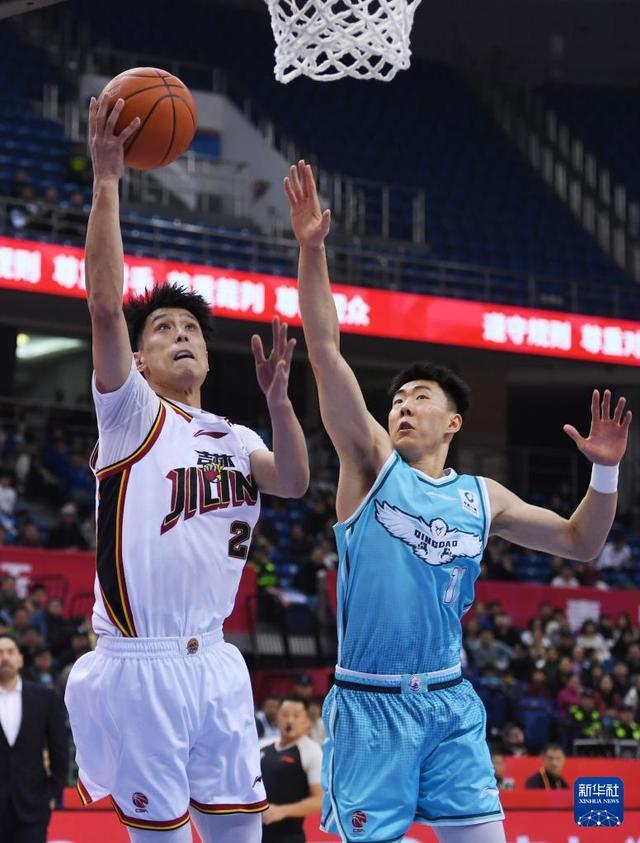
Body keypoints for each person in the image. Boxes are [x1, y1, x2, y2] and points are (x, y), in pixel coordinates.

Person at [284, 159, 632, 843]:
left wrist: (605, 474)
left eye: (420, 398)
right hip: (370, 703)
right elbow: (325, 351)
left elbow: (581, 542)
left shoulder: (482, 496)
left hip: (449, 702)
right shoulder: (370, 464)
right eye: (396, 399)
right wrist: (312, 250)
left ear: (453, 422)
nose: (402, 406)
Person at [63, 97, 310, 843]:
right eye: (164, 328)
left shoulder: (235, 436)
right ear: (139, 359)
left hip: (217, 663)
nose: (182, 335)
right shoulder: (130, 413)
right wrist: (108, 180)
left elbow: (294, 480)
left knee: (242, 835)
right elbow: (105, 307)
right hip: (142, 665)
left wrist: (280, 404)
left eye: (192, 328)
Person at [0, 633, 68, 842]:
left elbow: (59, 749)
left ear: (20, 659)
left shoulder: (43, 697)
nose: (5, 657)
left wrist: (53, 792)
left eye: (10, 652)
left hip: (33, 806)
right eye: (0, 653)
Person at [260, 697, 323, 843]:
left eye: (296, 716)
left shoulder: (311, 751)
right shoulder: (262, 745)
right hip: (254, 834)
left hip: (288, 837)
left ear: (307, 721)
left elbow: (320, 800)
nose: (290, 720)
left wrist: (282, 811)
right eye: (285, 715)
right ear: (277, 718)